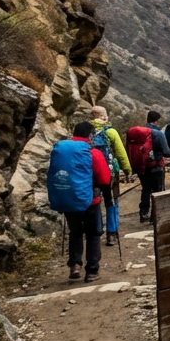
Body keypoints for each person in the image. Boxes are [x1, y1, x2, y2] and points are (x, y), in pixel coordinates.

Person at [48, 121, 110, 283]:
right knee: (93, 234)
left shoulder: (61, 150)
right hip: (90, 201)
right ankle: (92, 271)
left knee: (75, 232)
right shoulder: (92, 153)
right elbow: (104, 179)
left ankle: (75, 265)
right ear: (90, 135)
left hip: (67, 199)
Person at [90, 105, 130, 246]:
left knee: (95, 201)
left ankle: (97, 229)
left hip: (92, 173)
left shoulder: (86, 130)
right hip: (109, 173)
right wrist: (127, 169)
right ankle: (111, 234)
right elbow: (120, 152)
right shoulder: (110, 131)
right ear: (104, 116)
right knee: (112, 201)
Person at [127, 110, 170, 222]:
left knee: (146, 190)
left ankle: (143, 213)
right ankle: (155, 216)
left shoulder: (141, 134)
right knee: (158, 191)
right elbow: (166, 151)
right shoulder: (158, 133)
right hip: (156, 166)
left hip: (142, 166)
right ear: (157, 120)